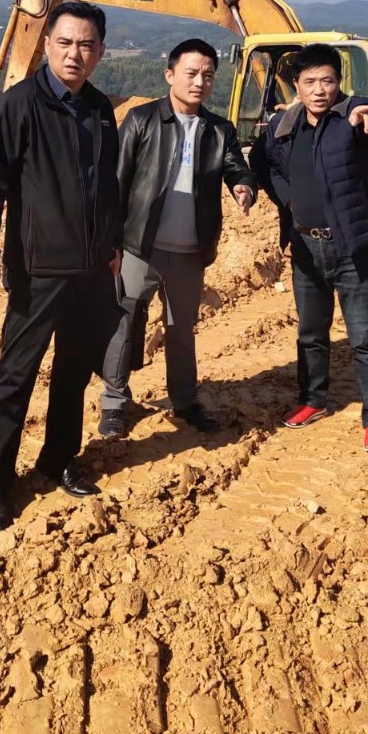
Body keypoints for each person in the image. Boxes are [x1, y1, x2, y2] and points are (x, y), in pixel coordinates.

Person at [0, 0, 122, 531]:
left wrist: (112, 243)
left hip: (91, 271)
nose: (74, 53)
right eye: (65, 42)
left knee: (73, 374)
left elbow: (107, 186)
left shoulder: (100, 108)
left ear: (100, 51)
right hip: (39, 270)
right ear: (48, 44)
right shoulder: (20, 104)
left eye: (86, 45)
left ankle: (58, 461)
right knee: (16, 377)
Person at [98, 38, 257, 439]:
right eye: (191, 73)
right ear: (170, 75)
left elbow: (238, 167)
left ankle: (185, 401)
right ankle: (114, 402)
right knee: (122, 323)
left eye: (208, 75)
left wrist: (243, 186)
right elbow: (116, 182)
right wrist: (110, 242)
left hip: (189, 252)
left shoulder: (219, 130)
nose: (199, 82)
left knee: (181, 329)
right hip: (140, 246)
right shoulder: (141, 119)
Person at [253, 43, 368, 451]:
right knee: (311, 333)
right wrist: (288, 199)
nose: (319, 90)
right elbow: (264, 165)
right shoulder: (283, 128)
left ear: (338, 83)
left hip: (355, 250)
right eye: (310, 81)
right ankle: (313, 400)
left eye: (327, 81)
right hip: (306, 248)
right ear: (296, 86)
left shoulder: (351, 117)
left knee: (365, 338)